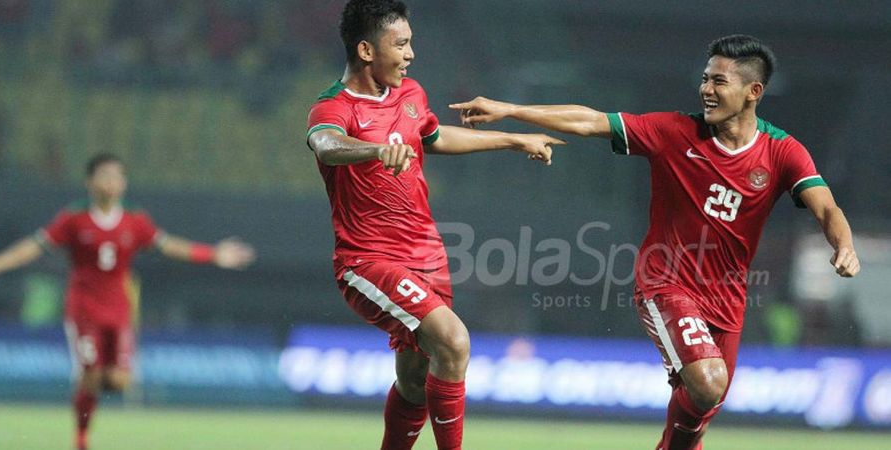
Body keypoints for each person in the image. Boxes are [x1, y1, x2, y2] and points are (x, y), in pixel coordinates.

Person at [450, 34, 859, 450]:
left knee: (702, 407)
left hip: (728, 301)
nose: (706, 89)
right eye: (705, 79)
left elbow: (826, 208)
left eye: (719, 82)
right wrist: (510, 110)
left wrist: (842, 244)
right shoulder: (673, 132)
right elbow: (592, 120)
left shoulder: (781, 152)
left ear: (753, 91)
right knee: (708, 383)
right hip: (666, 284)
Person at [306, 1, 565, 448]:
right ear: (366, 50)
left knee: (415, 378)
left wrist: (512, 138)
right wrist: (372, 151)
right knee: (454, 340)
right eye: (401, 44)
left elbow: (435, 137)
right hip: (368, 260)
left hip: (425, 254)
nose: (411, 54)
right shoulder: (333, 106)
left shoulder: (411, 95)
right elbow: (326, 145)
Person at [0, 153, 256, 450]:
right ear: (89, 182)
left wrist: (214, 254)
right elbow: (36, 245)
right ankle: (81, 437)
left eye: (118, 176)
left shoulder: (135, 220)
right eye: (105, 175)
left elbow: (169, 246)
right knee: (90, 375)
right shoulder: (73, 218)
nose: (112, 182)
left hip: (119, 309)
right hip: (83, 309)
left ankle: (94, 379)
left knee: (118, 381)